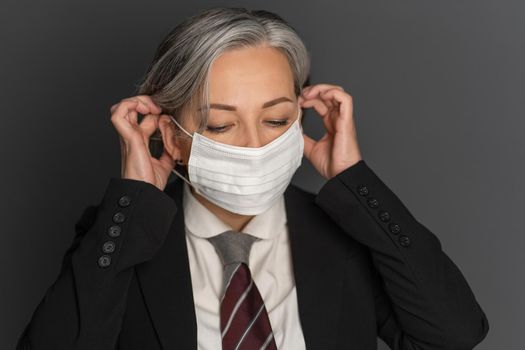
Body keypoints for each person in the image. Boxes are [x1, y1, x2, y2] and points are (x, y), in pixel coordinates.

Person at [16, 6, 489, 350]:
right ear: (172, 136)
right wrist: (133, 194)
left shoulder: (346, 235)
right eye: (220, 124)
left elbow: (454, 335)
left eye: (277, 119)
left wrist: (354, 179)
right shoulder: (120, 237)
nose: (254, 145)